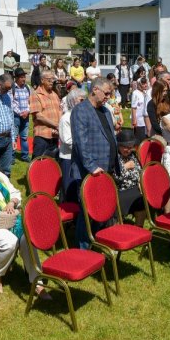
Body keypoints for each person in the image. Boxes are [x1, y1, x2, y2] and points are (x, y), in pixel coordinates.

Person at [68, 78, 120, 248]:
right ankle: (82, 250)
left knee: (103, 209)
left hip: (107, 168)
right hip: (90, 171)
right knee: (88, 211)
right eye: (106, 93)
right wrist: (92, 167)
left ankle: (97, 243)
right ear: (95, 90)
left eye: (110, 93)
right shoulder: (81, 111)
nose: (108, 96)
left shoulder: (105, 110)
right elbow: (80, 143)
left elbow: (109, 136)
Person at [0, 146, 39, 293]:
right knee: (10, 242)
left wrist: (12, 202)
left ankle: (37, 280)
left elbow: (15, 192)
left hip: (9, 220)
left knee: (28, 239)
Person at [29, 71, 61, 159]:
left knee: (51, 163)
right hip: (42, 136)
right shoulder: (35, 95)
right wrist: (56, 125)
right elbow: (39, 116)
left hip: (54, 135)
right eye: (49, 79)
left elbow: (60, 111)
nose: (52, 82)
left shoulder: (55, 95)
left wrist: (59, 127)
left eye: (53, 79)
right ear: (42, 80)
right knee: (37, 162)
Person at [9, 69, 31, 162]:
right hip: (16, 116)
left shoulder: (27, 87)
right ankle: (12, 157)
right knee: (14, 136)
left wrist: (27, 111)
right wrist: (20, 113)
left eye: (24, 77)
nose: (23, 79)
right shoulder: (12, 88)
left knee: (24, 137)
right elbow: (11, 103)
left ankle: (25, 156)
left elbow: (30, 101)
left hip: (26, 116)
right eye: (21, 77)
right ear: (16, 78)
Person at [129, 75, 149, 140]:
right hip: (139, 120)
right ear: (139, 84)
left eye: (146, 83)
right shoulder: (135, 93)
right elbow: (133, 107)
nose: (145, 85)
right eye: (143, 84)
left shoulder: (146, 92)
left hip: (145, 120)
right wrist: (134, 120)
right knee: (139, 138)